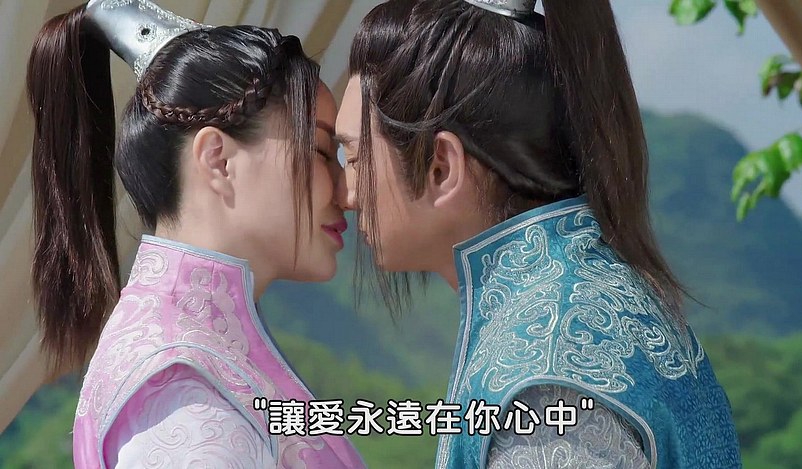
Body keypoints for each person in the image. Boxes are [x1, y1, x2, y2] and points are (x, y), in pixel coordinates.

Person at [335, 0, 742, 467]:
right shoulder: (591, 303)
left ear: (441, 166)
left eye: (356, 159)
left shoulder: (544, 378)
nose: (347, 194)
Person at [26, 1, 364, 467]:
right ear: (218, 160)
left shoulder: (196, 355)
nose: (347, 192)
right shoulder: (179, 388)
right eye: (323, 151)